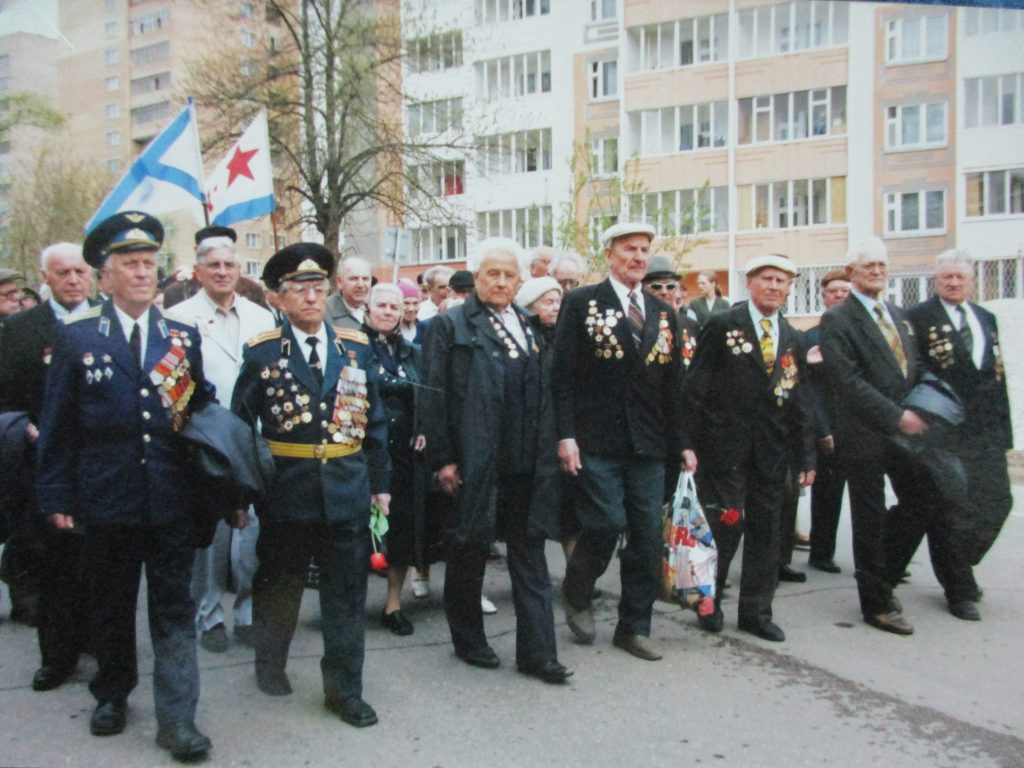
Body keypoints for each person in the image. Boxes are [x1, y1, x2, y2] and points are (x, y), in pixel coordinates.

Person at [34, 212, 224, 761]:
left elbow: (198, 416)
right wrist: (56, 496)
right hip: (107, 499)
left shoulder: (180, 337)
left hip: (170, 502)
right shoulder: (76, 340)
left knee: (172, 610)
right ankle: (112, 693)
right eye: (130, 265)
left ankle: (178, 719)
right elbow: (58, 426)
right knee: (111, 606)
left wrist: (223, 487)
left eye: (149, 264)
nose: (143, 274)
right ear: (106, 277)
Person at [232, 243, 390, 728]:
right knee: (281, 583)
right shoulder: (263, 352)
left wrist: (380, 486)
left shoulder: (355, 346)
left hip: (346, 487)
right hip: (288, 491)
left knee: (346, 595)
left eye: (318, 289)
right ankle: (270, 662)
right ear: (280, 298)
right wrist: (241, 494)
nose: (311, 298)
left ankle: (344, 691)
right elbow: (241, 427)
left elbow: (375, 422)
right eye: (299, 290)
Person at [421, 238, 571, 684]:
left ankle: (538, 654)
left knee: (530, 553)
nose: (501, 281)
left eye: (509, 274)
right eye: (492, 273)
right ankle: (469, 640)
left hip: (528, 463)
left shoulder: (530, 326)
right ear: (477, 277)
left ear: (519, 281)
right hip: (475, 459)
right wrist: (443, 459)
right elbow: (433, 397)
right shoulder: (451, 326)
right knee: (468, 549)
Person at [552, 222, 694, 662]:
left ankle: (634, 627)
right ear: (610, 254)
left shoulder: (662, 312)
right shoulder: (581, 303)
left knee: (648, 536)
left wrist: (683, 443)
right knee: (605, 524)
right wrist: (566, 435)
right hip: (597, 440)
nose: (638, 257)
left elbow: (674, 386)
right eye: (629, 249)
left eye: (645, 249)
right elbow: (562, 376)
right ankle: (577, 591)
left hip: (649, 445)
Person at [685, 254, 816, 642]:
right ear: (751, 283)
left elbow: (800, 401)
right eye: (767, 279)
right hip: (725, 450)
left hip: (773, 453)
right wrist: (688, 444)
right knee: (726, 528)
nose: (775, 286)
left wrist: (805, 455)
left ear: (790, 288)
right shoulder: (724, 324)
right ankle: (707, 602)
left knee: (767, 533)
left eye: (782, 281)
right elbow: (696, 387)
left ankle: (757, 612)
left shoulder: (793, 337)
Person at [821, 237, 940, 636]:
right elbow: (847, 381)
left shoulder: (896, 314)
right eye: (868, 266)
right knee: (868, 517)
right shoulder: (838, 319)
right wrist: (896, 416)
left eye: (882, 266)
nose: (876, 272)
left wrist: (924, 406)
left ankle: (881, 573)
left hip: (904, 431)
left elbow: (913, 364)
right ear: (850, 272)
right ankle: (876, 603)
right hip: (864, 433)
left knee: (922, 499)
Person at [165, 232, 276, 652]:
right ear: (198, 272)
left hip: (251, 438)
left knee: (253, 534)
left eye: (230, 265)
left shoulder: (260, 316)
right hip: (205, 441)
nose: (224, 272)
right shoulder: (178, 317)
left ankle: (247, 613)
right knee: (210, 537)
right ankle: (209, 615)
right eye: (214, 265)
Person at [0, 243, 94, 688]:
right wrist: (25, 427)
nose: (73, 279)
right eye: (63, 273)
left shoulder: (108, 320)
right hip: (45, 463)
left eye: (80, 271)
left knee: (98, 560)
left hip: (99, 464)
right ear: (46, 278)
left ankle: (97, 642)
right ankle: (56, 656)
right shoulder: (21, 329)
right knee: (53, 561)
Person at [903, 250, 1013, 621]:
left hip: (984, 431)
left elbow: (997, 378)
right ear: (935, 280)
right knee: (952, 509)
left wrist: (1005, 433)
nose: (953, 282)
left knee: (999, 501)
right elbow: (910, 374)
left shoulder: (986, 318)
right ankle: (959, 587)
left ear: (971, 280)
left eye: (960, 277)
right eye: (946, 276)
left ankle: (959, 563)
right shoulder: (917, 318)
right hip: (942, 432)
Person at [362, 282, 428, 636]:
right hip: (364, 453)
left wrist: (424, 427)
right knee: (360, 531)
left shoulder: (412, 352)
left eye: (395, 306)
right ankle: (348, 605)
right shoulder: (353, 347)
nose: (388, 312)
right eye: (382, 305)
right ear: (368, 309)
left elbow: (427, 395)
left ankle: (393, 605)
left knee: (401, 531)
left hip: (404, 455)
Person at [804, 269, 851, 574]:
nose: (838, 296)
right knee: (827, 493)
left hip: (859, 425)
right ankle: (821, 553)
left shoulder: (860, 333)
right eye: (833, 291)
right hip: (827, 426)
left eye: (844, 291)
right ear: (823, 296)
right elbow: (807, 389)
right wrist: (822, 428)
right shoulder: (811, 337)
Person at [162, 226, 269, 310]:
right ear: (196, 250)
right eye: (214, 264)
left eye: (228, 264)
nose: (222, 272)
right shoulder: (178, 291)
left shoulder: (251, 289)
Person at [325, 255, 372, 330]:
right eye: (354, 279)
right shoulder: (324, 312)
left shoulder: (377, 310)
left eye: (365, 279)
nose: (360, 285)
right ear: (339, 282)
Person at [397, 278, 425, 344]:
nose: (411, 309)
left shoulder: (424, 328)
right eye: (406, 303)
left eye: (415, 303)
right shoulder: (390, 331)